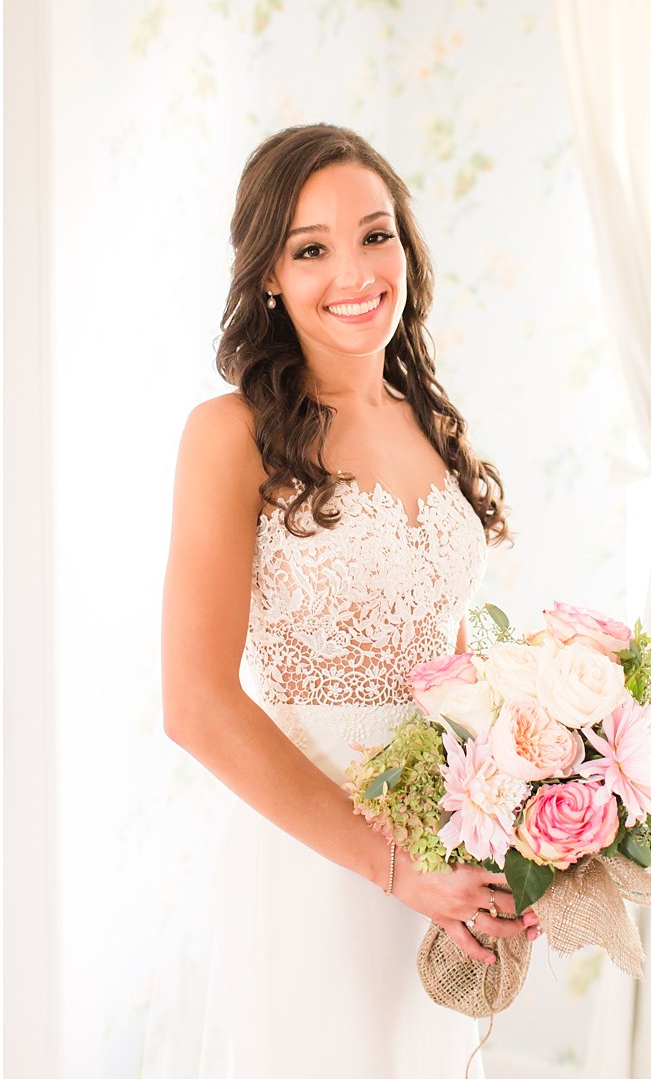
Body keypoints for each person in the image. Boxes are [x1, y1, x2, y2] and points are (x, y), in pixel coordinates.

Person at [161, 124, 539, 1077]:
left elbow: (449, 667)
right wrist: (389, 866)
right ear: (268, 279)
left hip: (442, 857)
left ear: (406, 247)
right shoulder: (228, 434)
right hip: (311, 863)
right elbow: (194, 705)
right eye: (311, 248)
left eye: (375, 235)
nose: (354, 270)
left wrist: (513, 837)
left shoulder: (430, 423)